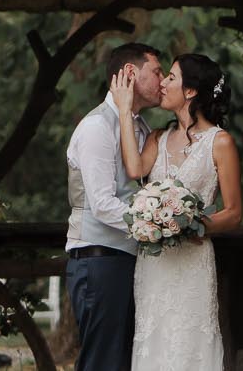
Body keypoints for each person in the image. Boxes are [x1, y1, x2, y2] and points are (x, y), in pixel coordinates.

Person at [109, 51, 243, 370]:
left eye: (171, 77)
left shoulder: (220, 143)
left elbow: (234, 212)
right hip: (154, 265)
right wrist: (125, 110)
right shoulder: (158, 137)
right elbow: (134, 169)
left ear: (190, 90)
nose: (163, 83)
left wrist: (194, 224)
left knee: (190, 347)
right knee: (153, 345)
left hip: (193, 263)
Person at [66, 41, 164, 371]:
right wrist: (157, 225)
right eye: (157, 72)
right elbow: (103, 205)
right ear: (130, 73)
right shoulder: (96, 126)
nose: (162, 80)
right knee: (103, 363)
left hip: (129, 259)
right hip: (99, 260)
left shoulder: (141, 127)